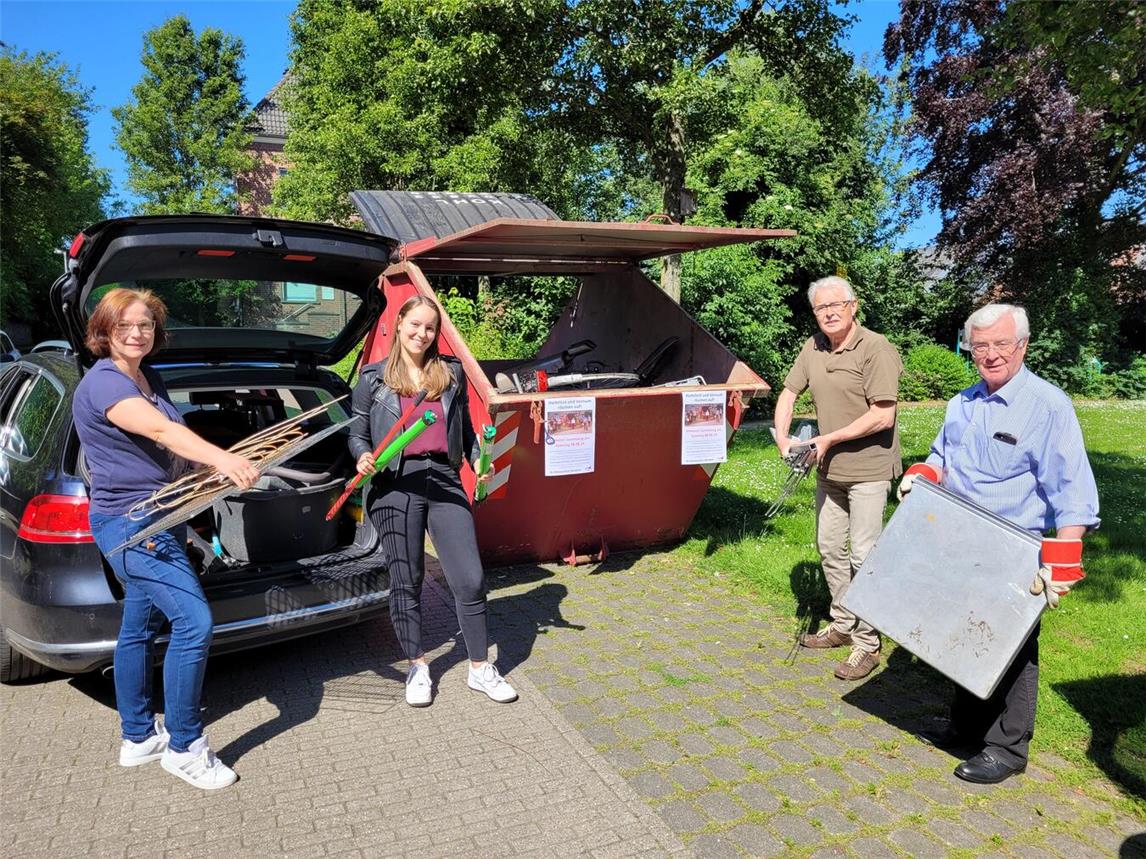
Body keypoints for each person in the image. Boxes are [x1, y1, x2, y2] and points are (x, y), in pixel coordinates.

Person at [901, 303, 1098, 784]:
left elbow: (1072, 491)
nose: (990, 355)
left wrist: (1063, 562)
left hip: (1014, 548)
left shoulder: (1048, 406)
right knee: (963, 632)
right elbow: (941, 455)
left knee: (1011, 647)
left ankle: (1007, 749)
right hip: (958, 538)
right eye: (980, 346)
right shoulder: (961, 403)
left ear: (1023, 346)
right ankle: (966, 727)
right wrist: (920, 476)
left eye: (1001, 344)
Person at [74, 288, 259, 790]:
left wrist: (209, 466)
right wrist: (223, 458)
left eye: (147, 325)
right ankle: (185, 747)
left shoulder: (146, 377)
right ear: (104, 331)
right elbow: (159, 431)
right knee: (194, 622)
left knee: (137, 627)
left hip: (162, 515)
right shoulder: (105, 384)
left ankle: (138, 736)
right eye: (126, 325)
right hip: (135, 526)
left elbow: (174, 444)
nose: (138, 333)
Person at [349, 295, 517, 707]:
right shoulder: (372, 379)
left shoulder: (450, 374)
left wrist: (479, 461)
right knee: (407, 581)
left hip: (443, 480)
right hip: (393, 484)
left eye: (430, 328)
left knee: (470, 579)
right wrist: (362, 455)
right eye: (415, 324)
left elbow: (466, 434)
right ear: (399, 323)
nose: (422, 334)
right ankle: (418, 666)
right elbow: (355, 434)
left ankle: (480, 669)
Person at [773, 276, 903, 681]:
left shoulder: (875, 348)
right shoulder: (813, 346)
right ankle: (843, 625)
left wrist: (829, 438)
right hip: (829, 471)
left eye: (836, 305)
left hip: (868, 469)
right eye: (820, 308)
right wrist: (782, 438)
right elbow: (789, 393)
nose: (828, 313)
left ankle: (868, 643)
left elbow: (884, 414)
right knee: (829, 548)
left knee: (864, 555)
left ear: (853, 306)